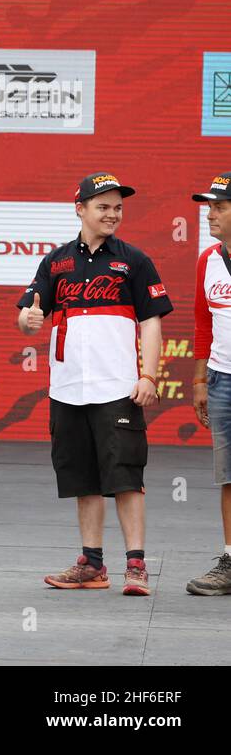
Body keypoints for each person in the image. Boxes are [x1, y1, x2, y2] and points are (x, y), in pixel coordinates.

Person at [17, 173, 171, 597]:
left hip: (118, 388)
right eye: (103, 206)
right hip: (67, 389)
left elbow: (151, 322)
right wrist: (28, 321)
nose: (112, 214)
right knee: (83, 479)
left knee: (125, 477)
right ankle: (92, 564)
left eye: (118, 207)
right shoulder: (55, 262)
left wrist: (148, 375)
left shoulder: (134, 261)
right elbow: (30, 313)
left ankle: (136, 566)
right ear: (80, 209)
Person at [187, 173, 231, 595]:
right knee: (229, 476)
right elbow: (204, 320)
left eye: (219, 206)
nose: (210, 213)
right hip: (222, 379)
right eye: (209, 206)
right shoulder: (208, 259)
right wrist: (200, 378)